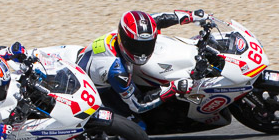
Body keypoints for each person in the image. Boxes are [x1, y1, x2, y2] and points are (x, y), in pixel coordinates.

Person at [77, 9, 207, 116]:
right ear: (124, 40)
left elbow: (159, 18)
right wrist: (173, 87)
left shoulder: (131, 32)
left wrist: (191, 16)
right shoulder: (117, 71)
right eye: (136, 46)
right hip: (100, 91)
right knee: (138, 127)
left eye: (147, 45)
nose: (142, 52)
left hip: (88, 60)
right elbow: (138, 105)